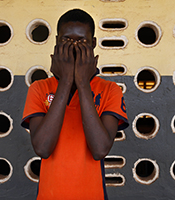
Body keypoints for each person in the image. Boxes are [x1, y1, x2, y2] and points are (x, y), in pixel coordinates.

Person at [21, 8, 129, 200]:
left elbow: (100, 149)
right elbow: (43, 148)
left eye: (82, 42)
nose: (73, 47)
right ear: (56, 42)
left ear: (93, 44)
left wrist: (82, 82)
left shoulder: (110, 90)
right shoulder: (39, 88)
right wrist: (65, 81)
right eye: (66, 40)